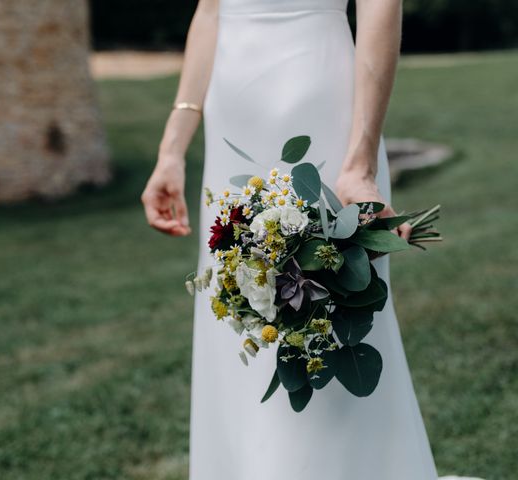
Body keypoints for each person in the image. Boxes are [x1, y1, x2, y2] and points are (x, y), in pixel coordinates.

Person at [141, 1, 479, 478]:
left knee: (326, 323)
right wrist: (172, 149)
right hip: (231, 119)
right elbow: (211, 10)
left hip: (316, 103)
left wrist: (359, 165)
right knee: (240, 316)